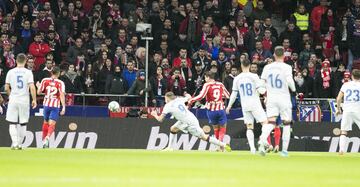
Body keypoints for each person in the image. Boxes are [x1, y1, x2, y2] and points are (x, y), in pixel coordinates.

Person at [150, 92, 231, 152]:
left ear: (167, 98)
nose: (165, 100)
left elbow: (160, 120)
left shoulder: (167, 106)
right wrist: (186, 94)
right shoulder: (179, 99)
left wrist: (154, 114)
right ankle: (169, 147)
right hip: (188, 118)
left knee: (204, 137)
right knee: (173, 129)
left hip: (189, 123)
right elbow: (189, 97)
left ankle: (223, 145)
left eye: (165, 99)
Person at [259, 46, 296, 157]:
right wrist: (294, 90)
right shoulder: (287, 67)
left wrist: (264, 93)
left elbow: (261, 84)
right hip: (283, 97)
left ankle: (262, 141)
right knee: (286, 124)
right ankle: (284, 151)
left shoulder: (267, 67)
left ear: (274, 55)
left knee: (271, 122)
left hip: (271, 98)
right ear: (284, 56)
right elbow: (289, 80)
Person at [226, 59, 268, 154]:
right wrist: (266, 94)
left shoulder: (237, 78)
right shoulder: (254, 76)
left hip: (245, 105)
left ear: (241, 66)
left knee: (249, 127)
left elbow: (234, 94)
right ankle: (262, 141)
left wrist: (229, 106)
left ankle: (252, 149)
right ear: (249, 66)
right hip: (255, 104)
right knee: (265, 123)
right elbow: (261, 90)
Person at [188, 71, 230, 150]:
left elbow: (201, 96)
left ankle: (218, 145)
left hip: (211, 110)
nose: (205, 79)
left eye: (205, 78)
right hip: (220, 109)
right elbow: (227, 95)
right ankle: (220, 144)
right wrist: (220, 96)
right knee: (223, 127)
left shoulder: (207, 85)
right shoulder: (220, 84)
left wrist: (192, 99)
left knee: (216, 128)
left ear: (207, 77)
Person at [5, 53, 37, 149]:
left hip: (13, 99)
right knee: (23, 123)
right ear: (26, 61)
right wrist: (34, 99)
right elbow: (32, 87)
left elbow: (6, 87)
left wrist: (11, 96)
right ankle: (19, 144)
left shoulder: (10, 72)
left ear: (16, 60)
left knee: (12, 123)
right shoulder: (28, 72)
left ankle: (14, 143)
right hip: (24, 100)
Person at [37, 66, 66, 148]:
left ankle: (43, 142)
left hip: (46, 105)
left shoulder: (45, 80)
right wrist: (63, 107)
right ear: (58, 73)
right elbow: (61, 95)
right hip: (55, 106)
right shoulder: (60, 83)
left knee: (45, 122)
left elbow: (39, 92)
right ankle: (47, 137)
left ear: (51, 72)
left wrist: (38, 86)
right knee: (52, 124)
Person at [336, 69, 360, 155]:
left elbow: (338, 98)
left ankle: (341, 150)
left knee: (344, 131)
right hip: (358, 110)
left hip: (347, 110)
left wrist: (338, 109)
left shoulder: (345, 85)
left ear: (352, 76)